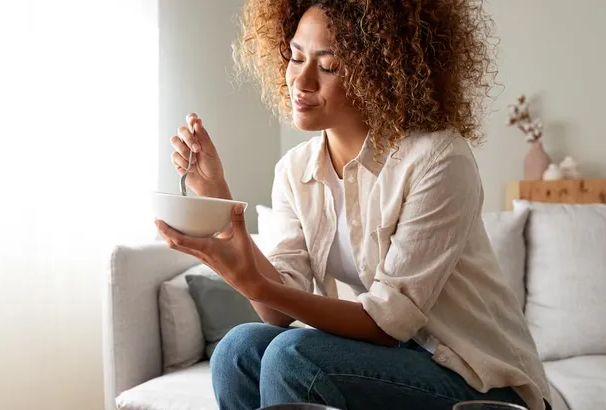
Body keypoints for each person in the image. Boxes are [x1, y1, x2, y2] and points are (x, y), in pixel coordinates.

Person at [155, 1, 552, 409]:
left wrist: (253, 283)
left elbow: (389, 323)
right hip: (393, 361)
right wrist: (215, 195)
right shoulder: (296, 170)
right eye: (295, 57)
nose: (302, 81)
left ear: (378, 72)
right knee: (237, 350)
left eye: (328, 66)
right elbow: (277, 308)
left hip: (478, 378)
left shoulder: (438, 158)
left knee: (292, 357)